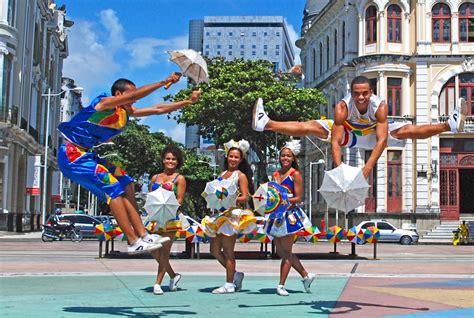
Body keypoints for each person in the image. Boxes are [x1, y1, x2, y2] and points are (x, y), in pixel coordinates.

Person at [57, 73, 201, 254]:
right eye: (131, 95)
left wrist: (187, 102)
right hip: (72, 155)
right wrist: (163, 81)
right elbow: (133, 96)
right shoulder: (103, 103)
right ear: (118, 94)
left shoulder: (125, 112)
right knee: (113, 188)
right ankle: (132, 241)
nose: (134, 100)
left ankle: (143, 234)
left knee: (126, 182)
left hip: (86, 154)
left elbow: (158, 109)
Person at [252, 75, 467, 178]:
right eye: (357, 94)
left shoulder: (380, 106)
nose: (361, 97)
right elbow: (336, 142)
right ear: (351, 93)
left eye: (365, 93)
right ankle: (266, 123)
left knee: (405, 131)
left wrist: (367, 168)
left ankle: (450, 124)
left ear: (371, 92)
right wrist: (339, 168)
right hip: (349, 133)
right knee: (311, 127)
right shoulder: (342, 108)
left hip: (373, 134)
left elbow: (382, 141)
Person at [201, 139, 257, 294]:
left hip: (231, 216)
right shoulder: (222, 174)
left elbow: (245, 197)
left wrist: (228, 198)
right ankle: (235, 274)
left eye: (236, 157)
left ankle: (229, 284)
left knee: (228, 251)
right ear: (227, 157)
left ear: (241, 160)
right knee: (214, 250)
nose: (233, 159)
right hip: (220, 215)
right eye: (231, 156)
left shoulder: (241, 176)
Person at [265, 139, 315, 296]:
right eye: (283, 155)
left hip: (290, 216)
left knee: (286, 252)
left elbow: (299, 197)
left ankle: (281, 285)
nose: (285, 158)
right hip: (276, 216)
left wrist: (283, 200)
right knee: (281, 251)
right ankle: (306, 275)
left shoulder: (296, 175)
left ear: (293, 158)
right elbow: (272, 194)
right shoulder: (275, 174)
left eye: (288, 156)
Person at [147, 145, 187, 295]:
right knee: (151, 248)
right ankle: (173, 275)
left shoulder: (179, 178)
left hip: (171, 218)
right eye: (168, 158)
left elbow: (180, 200)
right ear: (163, 160)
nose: (170, 161)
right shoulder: (155, 178)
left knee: (164, 251)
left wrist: (168, 204)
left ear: (177, 162)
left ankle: (157, 283)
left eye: (174, 159)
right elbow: (151, 197)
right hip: (155, 219)